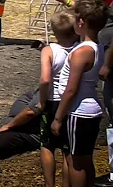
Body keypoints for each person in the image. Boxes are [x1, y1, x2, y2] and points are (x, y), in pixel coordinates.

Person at [52, 0, 109, 187]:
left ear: (82, 22)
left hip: (78, 111)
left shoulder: (82, 51)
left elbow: (71, 89)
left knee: (76, 163)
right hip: (90, 108)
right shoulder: (97, 46)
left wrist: (58, 118)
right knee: (85, 160)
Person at [39, 12, 80, 187]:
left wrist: (42, 101)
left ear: (54, 31)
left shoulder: (49, 50)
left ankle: (49, 185)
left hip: (53, 100)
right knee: (67, 149)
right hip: (71, 101)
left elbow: (45, 79)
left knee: (47, 145)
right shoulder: (80, 48)